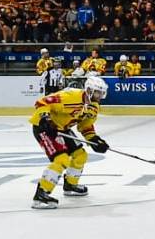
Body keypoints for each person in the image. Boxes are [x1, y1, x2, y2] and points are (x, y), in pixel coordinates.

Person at [29, 75, 110, 209]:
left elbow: (85, 126)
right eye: (97, 92)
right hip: (44, 127)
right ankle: (41, 195)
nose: (100, 96)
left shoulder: (93, 107)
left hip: (62, 129)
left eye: (102, 93)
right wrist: (45, 118)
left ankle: (70, 185)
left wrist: (95, 140)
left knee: (80, 155)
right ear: (89, 90)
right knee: (62, 159)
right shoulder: (70, 97)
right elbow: (42, 102)